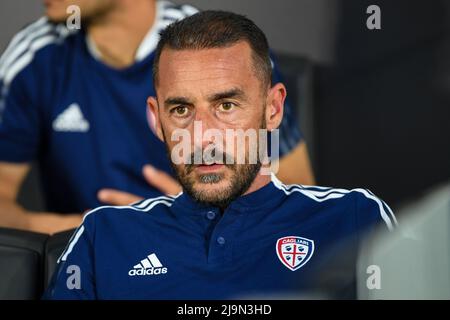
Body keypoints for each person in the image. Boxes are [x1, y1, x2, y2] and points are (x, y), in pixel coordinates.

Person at [44, 11, 396, 299]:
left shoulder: (353, 217)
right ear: (156, 118)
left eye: (226, 105)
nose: (202, 135)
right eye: (181, 109)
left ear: (273, 109)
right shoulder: (102, 235)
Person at [0, 0, 314, 234]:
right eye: (180, 109)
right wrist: (86, 226)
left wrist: (201, 209)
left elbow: (298, 195)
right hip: (97, 267)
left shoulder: (228, 50)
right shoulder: (33, 57)